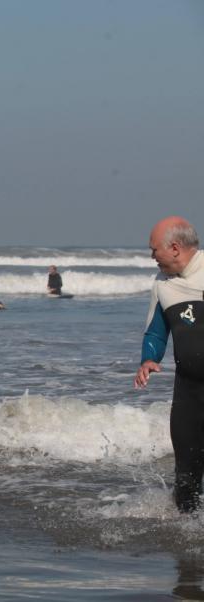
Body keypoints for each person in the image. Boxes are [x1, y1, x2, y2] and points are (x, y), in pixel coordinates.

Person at [134, 216, 204, 513]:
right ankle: (188, 546)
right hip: (189, 393)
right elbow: (155, 330)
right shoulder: (162, 284)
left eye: (154, 250)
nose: (152, 257)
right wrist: (149, 358)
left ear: (174, 248)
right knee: (186, 475)